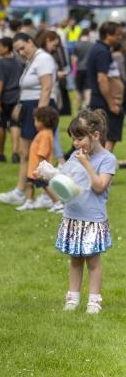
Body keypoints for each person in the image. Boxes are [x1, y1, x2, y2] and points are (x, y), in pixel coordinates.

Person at [55, 109, 115, 314]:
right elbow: (65, 180)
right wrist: (47, 174)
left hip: (92, 219)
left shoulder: (107, 159)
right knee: (75, 259)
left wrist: (87, 164)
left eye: (79, 138)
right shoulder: (75, 155)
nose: (75, 144)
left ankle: (94, 301)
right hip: (73, 216)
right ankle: (72, 298)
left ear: (95, 136)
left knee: (93, 261)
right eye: (73, 139)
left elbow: (99, 186)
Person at [0, 33, 57, 206]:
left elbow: (46, 88)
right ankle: (21, 191)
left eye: (23, 48)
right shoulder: (33, 59)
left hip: (39, 110)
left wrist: (40, 117)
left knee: (41, 155)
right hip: (31, 108)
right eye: (17, 51)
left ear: (31, 42)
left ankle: (47, 194)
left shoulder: (43, 58)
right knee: (26, 153)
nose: (21, 53)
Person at [16, 106, 63, 212]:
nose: (34, 123)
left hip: (39, 169)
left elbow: (43, 152)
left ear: (43, 121)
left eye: (36, 120)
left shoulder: (45, 135)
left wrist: (41, 169)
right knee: (29, 184)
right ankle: (29, 202)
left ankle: (58, 203)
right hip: (34, 168)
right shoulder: (44, 133)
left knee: (45, 186)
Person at [86, 21, 124, 151]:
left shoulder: (99, 49)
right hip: (104, 103)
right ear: (108, 35)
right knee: (108, 138)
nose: (120, 37)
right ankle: (104, 170)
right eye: (118, 34)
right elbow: (102, 79)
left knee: (102, 139)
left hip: (101, 101)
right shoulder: (102, 52)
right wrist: (112, 104)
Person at [0, 37, 23, 163]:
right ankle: (15, 153)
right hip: (17, 97)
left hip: (5, 97)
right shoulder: (19, 62)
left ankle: (1, 153)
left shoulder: (1, 62)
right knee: (15, 124)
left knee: (1, 125)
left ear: (5, 47)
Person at [72, 28, 94, 109]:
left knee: (78, 88)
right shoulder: (92, 44)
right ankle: (88, 105)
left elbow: (74, 59)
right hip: (88, 69)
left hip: (79, 69)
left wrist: (73, 71)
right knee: (88, 88)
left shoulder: (77, 44)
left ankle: (79, 106)